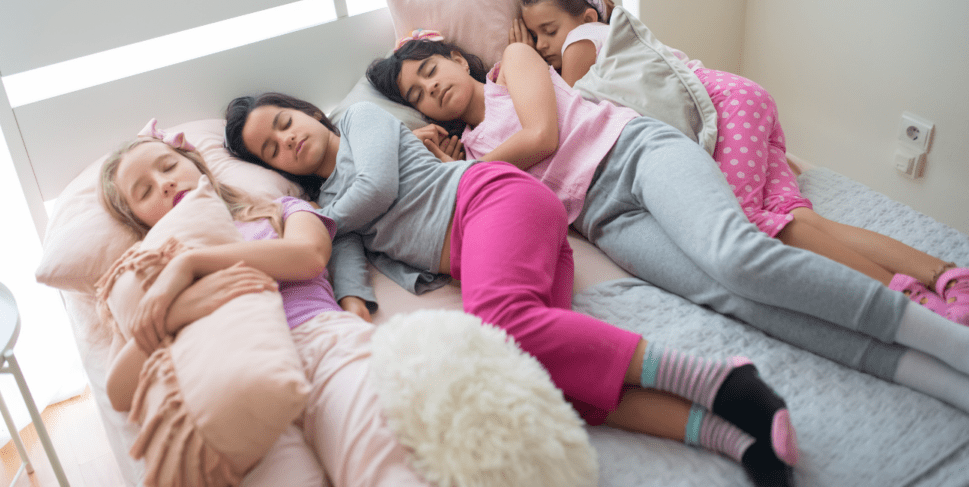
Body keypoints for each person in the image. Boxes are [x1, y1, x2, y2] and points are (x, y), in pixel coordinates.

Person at [363, 32, 969, 416]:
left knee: (735, 255)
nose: (431, 87)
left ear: (451, 55)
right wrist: (446, 169)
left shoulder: (510, 66)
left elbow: (543, 136)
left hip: (635, 153)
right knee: (732, 299)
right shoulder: (470, 156)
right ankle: (924, 373)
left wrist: (471, 167)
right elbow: (495, 212)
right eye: (416, 92)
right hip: (605, 219)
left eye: (430, 69)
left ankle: (946, 341)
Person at [225, 93, 801, 485]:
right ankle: (730, 438)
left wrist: (320, 225)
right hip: (493, 250)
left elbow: (376, 184)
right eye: (271, 150)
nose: (287, 141)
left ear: (305, 112)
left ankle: (722, 380)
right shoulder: (327, 211)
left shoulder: (358, 122)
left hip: (491, 199)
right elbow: (340, 261)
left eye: (284, 123)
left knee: (498, 322)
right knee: (537, 381)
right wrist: (354, 319)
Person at [508, 0, 969, 320]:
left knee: (746, 225)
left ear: (587, 15)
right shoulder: (611, 37)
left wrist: (523, 58)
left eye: (548, 31)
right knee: (794, 220)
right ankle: (945, 276)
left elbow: (567, 112)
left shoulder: (581, 42)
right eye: (534, 36)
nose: (544, 43)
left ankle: (909, 303)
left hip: (725, 110)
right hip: (740, 99)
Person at [98, 126, 433, 487]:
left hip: (320, 343)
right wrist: (179, 310)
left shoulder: (280, 210)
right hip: (233, 385)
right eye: (145, 191)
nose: (163, 184)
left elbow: (309, 257)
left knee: (387, 466)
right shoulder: (147, 272)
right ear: (139, 220)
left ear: (196, 164)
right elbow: (118, 391)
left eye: (167, 167)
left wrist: (193, 264)